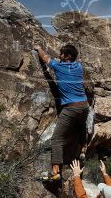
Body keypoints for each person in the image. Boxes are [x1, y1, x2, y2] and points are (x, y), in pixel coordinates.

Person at [33, 44, 93, 181]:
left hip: (71, 108)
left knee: (57, 139)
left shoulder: (59, 66)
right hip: (84, 106)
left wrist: (38, 48)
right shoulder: (78, 67)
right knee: (79, 127)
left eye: (62, 54)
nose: (59, 56)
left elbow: (45, 58)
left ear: (67, 56)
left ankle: (55, 173)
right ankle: (83, 148)